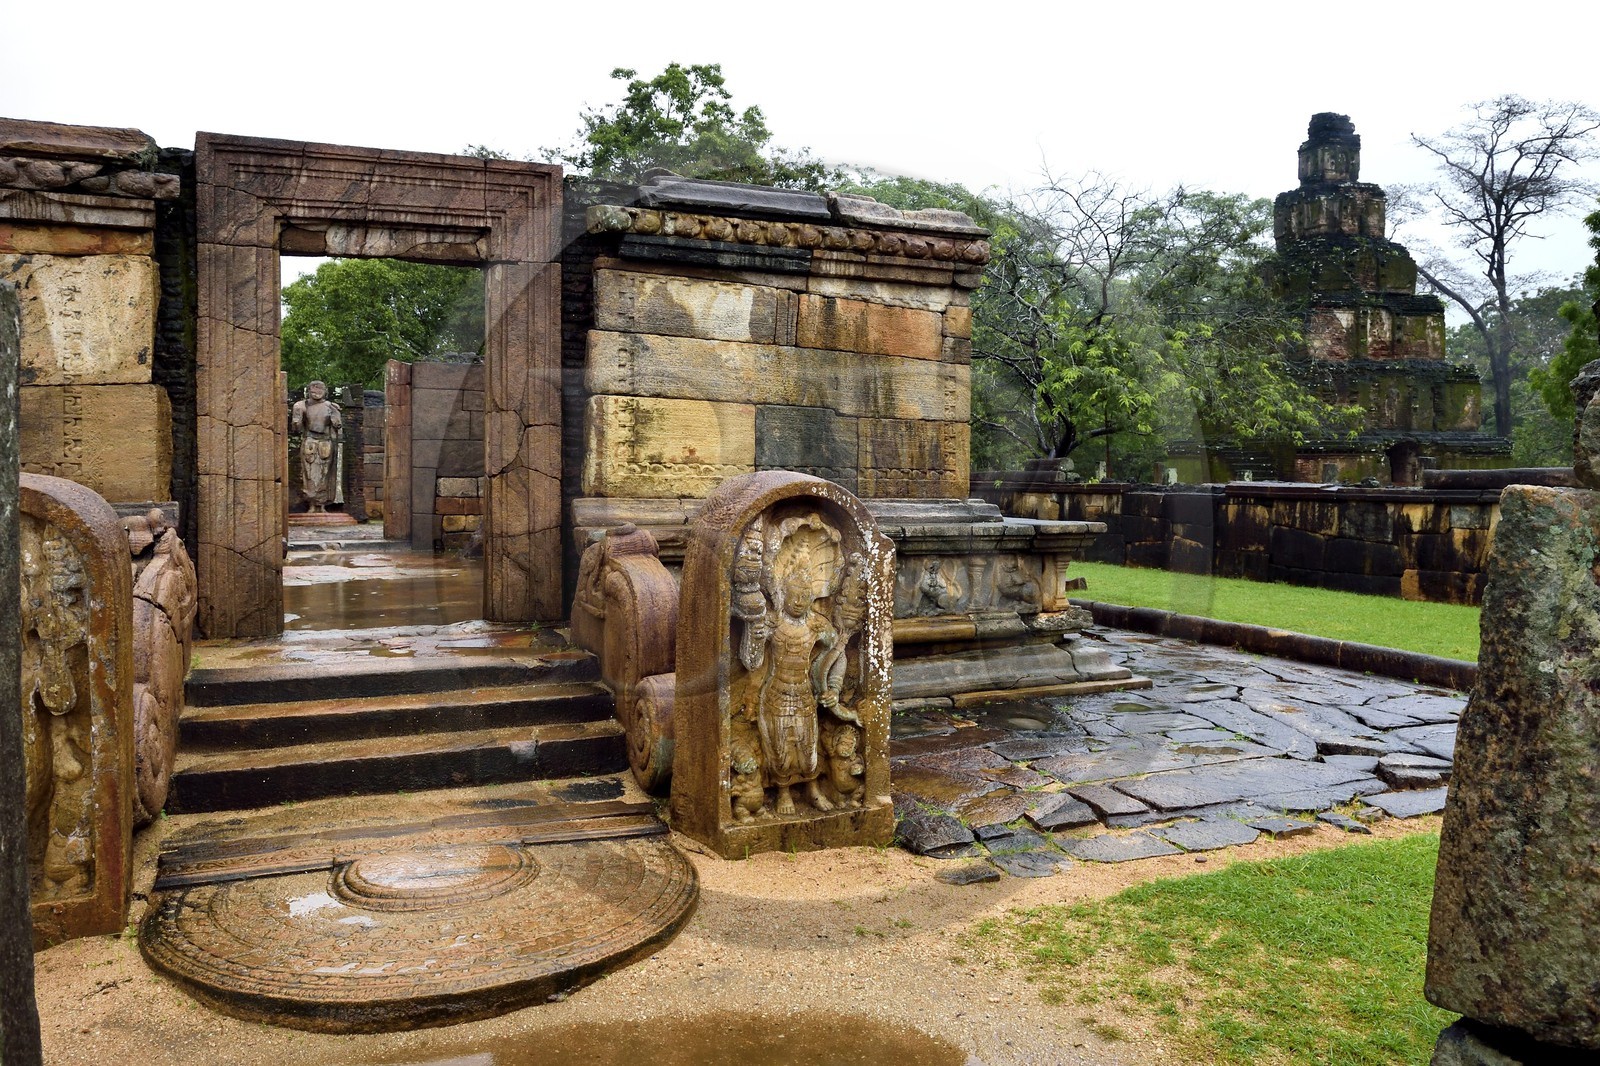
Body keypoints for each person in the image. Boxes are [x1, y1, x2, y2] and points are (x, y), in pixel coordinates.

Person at [291, 381, 342, 510]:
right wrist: (297, 416)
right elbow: (296, 429)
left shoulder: (329, 406)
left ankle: (322, 503)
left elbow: (337, 426)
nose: (317, 392)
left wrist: (335, 415)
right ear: (308, 391)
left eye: (320, 389)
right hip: (310, 440)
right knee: (309, 474)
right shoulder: (302, 405)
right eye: (314, 389)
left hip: (325, 441)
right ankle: (312, 504)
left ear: (325, 391)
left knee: (325, 474)